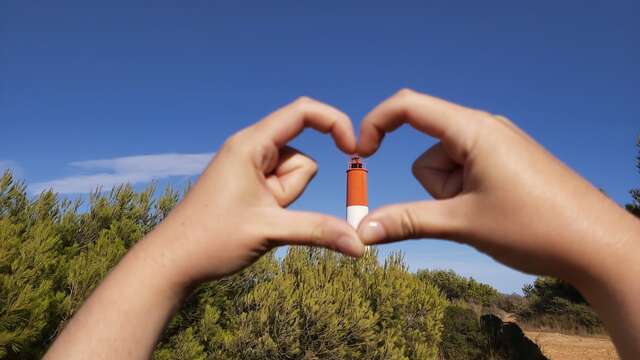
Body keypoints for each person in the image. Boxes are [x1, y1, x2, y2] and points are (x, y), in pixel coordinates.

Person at [44, 90, 640, 359]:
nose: (356, 167)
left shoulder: (352, 175)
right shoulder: (360, 177)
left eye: (358, 166)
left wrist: (160, 262)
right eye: (354, 166)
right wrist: (608, 245)